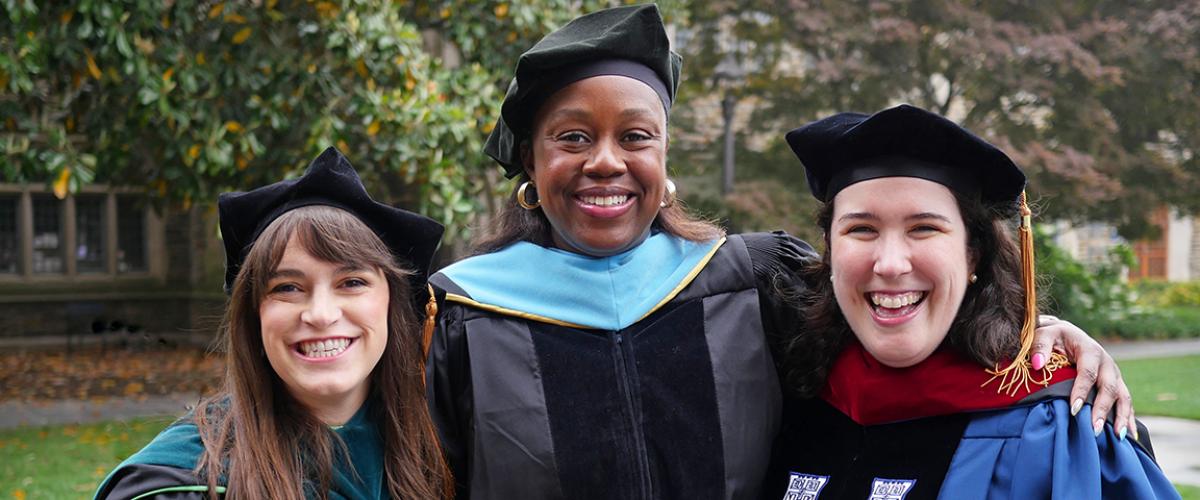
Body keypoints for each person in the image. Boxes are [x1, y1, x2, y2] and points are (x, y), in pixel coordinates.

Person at [426, 5, 1134, 499]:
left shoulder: (751, 282)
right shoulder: (458, 317)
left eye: (636, 136)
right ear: (529, 159)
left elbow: (890, 316)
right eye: (572, 138)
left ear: (665, 152)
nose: (606, 161)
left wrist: (1038, 332)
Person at [763, 104, 1178, 499]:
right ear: (829, 249)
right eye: (861, 229)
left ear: (972, 253)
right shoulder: (783, 390)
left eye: (924, 228)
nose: (889, 264)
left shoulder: (1053, 426)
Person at [94, 148, 453, 499]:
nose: (321, 314)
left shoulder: (441, 449)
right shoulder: (187, 483)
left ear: (392, 304)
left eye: (352, 282)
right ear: (253, 315)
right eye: (288, 288)